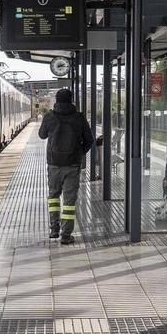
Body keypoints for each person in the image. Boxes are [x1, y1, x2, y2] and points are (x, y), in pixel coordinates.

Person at [38, 87, 94, 245]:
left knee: (53, 197)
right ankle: (66, 235)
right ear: (71, 100)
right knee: (69, 202)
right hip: (72, 165)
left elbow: (42, 135)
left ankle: (54, 228)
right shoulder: (79, 117)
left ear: (56, 100)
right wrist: (78, 153)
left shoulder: (49, 116)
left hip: (54, 165)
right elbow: (89, 140)